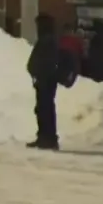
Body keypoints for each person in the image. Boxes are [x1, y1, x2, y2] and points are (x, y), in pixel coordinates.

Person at [26, 13, 61, 150]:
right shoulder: (48, 39)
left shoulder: (47, 40)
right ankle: (44, 136)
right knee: (42, 109)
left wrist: (39, 73)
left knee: (45, 109)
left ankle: (48, 138)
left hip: (46, 80)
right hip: (44, 80)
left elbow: (46, 61)